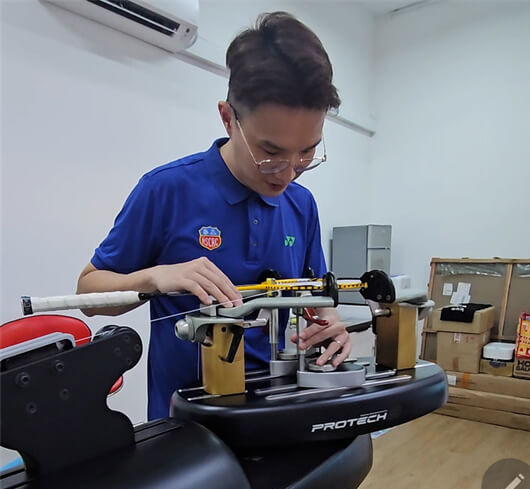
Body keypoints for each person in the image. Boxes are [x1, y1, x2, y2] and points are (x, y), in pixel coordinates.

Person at [77, 11, 351, 420]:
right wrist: (154, 278)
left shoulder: (302, 204)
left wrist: (331, 324)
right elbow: (87, 293)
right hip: (187, 427)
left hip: (279, 413)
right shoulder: (167, 189)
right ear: (228, 118)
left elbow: (317, 296)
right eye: (272, 152)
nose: (290, 171)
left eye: (308, 151)